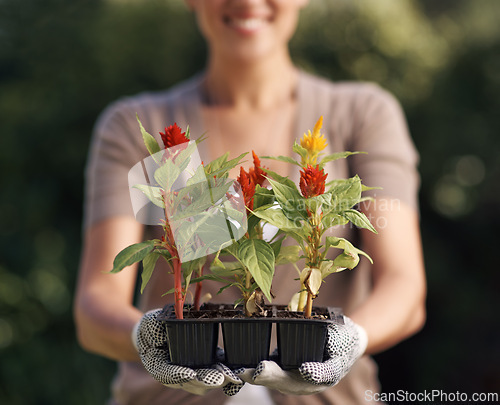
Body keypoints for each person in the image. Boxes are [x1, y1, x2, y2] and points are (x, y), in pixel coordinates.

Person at [74, 1, 426, 404]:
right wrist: (146, 338)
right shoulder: (140, 125)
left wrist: (351, 339)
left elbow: (404, 286)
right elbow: (96, 305)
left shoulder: (360, 116)